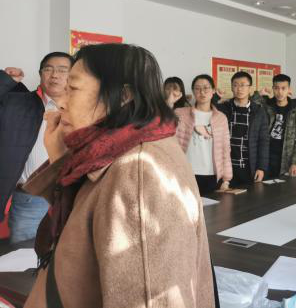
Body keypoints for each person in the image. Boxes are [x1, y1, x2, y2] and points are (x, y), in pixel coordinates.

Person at [21, 43, 215, 308]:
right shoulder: (118, 148)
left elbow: (150, 299)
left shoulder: (138, 171)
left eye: (72, 89)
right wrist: (61, 159)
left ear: (123, 96)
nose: (61, 102)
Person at [0, 52, 73, 244]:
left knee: (68, 256)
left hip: (72, 199)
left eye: (62, 70)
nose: (55, 75)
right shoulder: (17, 103)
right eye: (48, 69)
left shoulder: (85, 109)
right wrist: (5, 81)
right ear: (40, 74)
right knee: (26, 256)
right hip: (29, 200)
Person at [175, 74, 232, 195]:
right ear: (193, 91)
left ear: (213, 91)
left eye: (206, 88)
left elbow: (225, 149)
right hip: (186, 173)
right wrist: (170, 102)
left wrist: (226, 179)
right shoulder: (181, 114)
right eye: (197, 88)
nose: (202, 92)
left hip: (212, 175)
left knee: (213, 207)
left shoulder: (221, 118)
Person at [217, 71, 269, 186]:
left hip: (249, 166)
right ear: (231, 87)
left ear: (250, 88)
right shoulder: (223, 108)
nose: (239, 89)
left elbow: (264, 141)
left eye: (243, 85)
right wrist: (216, 97)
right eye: (235, 85)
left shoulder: (259, 111)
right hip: (226, 167)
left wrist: (261, 167)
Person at [255, 74, 296, 178]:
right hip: (266, 156)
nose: (280, 92)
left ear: (289, 89)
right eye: (276, 88)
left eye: (283, 88)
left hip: (285, 157)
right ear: (273, 88)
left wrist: (295, 162)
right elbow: (250, 105)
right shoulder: (266, 106)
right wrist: (259, 94)